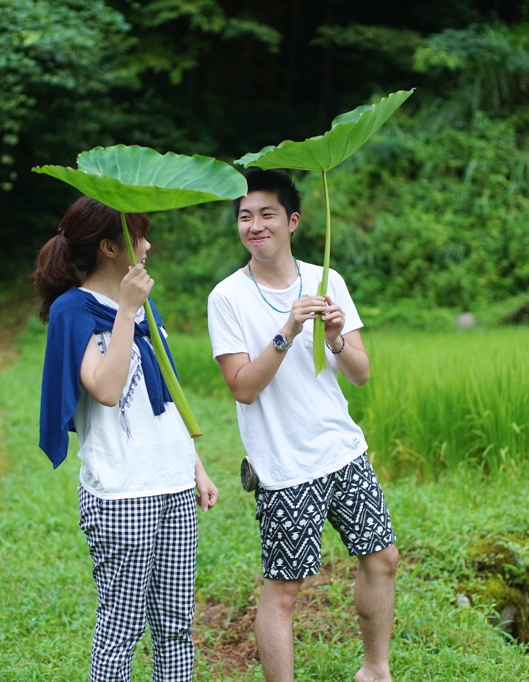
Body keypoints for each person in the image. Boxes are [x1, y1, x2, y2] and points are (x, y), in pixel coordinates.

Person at [207, 169, 398, 682]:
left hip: (342, 450)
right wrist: (288, 329)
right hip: (284, 465)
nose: (255, 225)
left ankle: (375, 671)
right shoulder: (226, 297)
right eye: (245, 216)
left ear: (292, 221)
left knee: (382, 558)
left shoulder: (327, 280)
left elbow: (360, 374)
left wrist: (335, 336)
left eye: (267, 214)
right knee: (285, 589)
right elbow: (243, 386)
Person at [34, 196, 218, 682]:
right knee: (121, 630)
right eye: (139, 236)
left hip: (174, 486)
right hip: (122, 494)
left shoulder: (143, 307)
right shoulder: (72, 311)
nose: (149, 245)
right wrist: (126, 311)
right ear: (111, 247)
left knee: (177, 628)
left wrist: (194, 467)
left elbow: (168, 394)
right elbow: (107, 389)